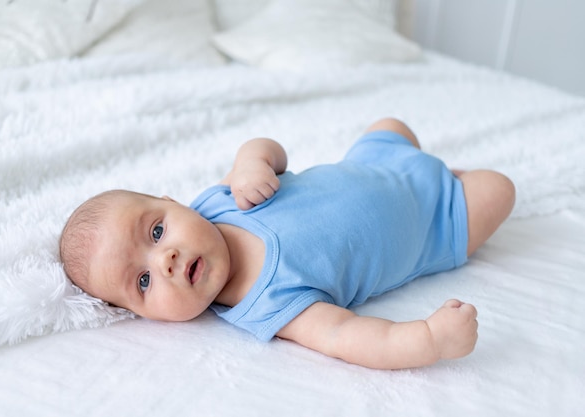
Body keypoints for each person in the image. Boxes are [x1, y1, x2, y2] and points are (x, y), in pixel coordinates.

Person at [59, 118, 515, 370]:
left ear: (172, 202)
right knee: (498, 189)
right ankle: (455, 180)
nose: (167, 260)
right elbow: (345, 337)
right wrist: (429, 340)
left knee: (392, 124)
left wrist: (251, 160)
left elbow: (271, 150)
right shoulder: (270, 304)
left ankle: (428, 165)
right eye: (142, 281)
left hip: (374, 162)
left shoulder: (221, 200)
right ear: (144, 317)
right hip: (434, 221)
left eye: (157, 232)